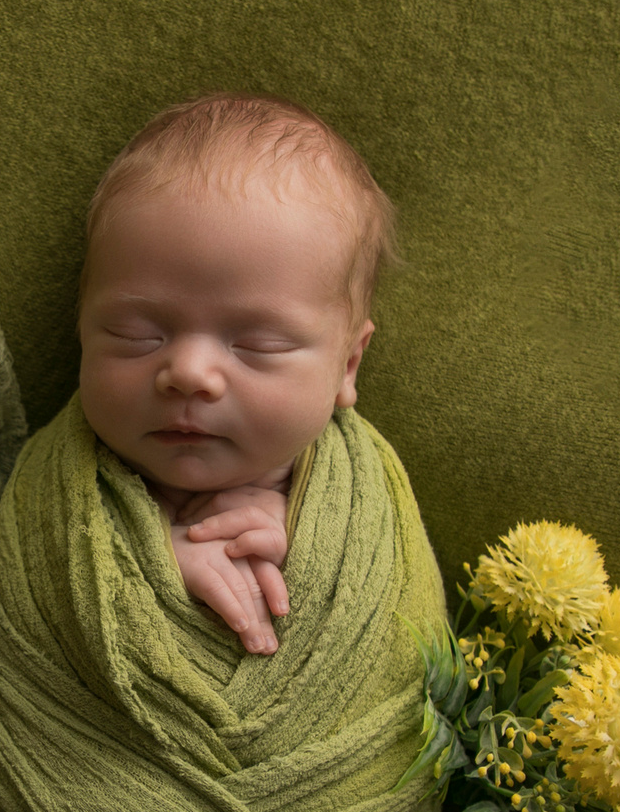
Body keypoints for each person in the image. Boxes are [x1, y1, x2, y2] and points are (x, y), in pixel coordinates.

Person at [71, 93, 399, 657]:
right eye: (135, 334)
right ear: (81, 329)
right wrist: (150, 565)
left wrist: (304, 541)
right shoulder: (66, 489)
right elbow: (40, 568)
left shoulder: (354, 502)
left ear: (348, 365)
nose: (188, 373)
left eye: (257, 344)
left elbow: (392, 621)